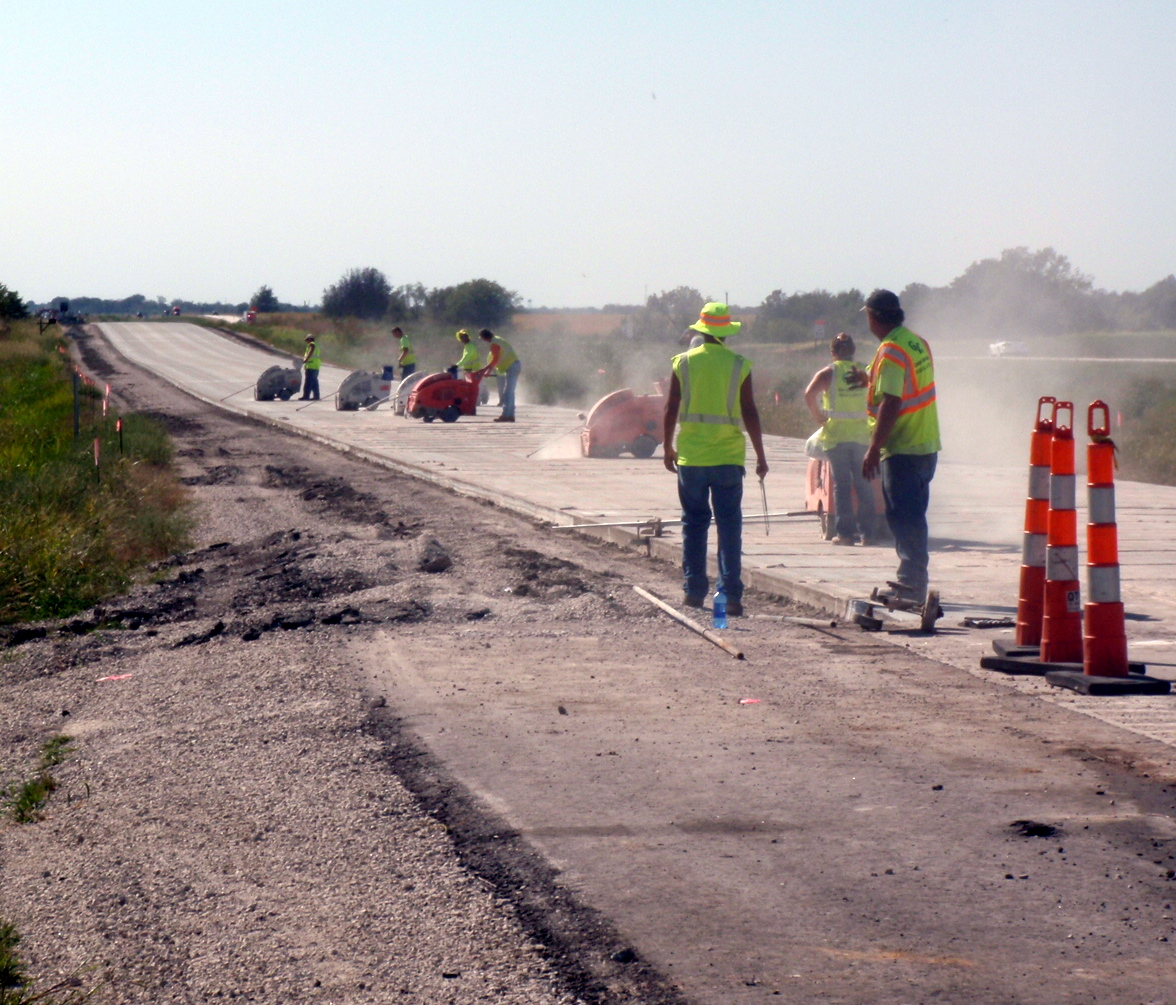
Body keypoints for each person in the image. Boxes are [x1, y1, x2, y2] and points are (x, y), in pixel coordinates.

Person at [663, 302, 769, 616]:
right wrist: (761, 456)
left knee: (694, 525)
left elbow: (670, 408)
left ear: (701, 331)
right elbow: (749, 411)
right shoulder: (739, 365)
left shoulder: (682, 362)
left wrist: (668, 447)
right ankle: (730, 597)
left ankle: (694, 592)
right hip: (728, 458)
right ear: (725, 334)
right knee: (729, 527)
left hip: (692, 459)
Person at [859, 289, 941, 603]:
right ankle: (913, 581)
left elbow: (892, 401)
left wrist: (874, 448)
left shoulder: (891, 351)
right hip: (926, 443)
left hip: (904, 446)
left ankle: (911, 586)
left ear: (873, 316)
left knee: (904, 517)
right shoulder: (915, 342)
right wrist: (865, 377)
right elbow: (896, 379)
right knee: (912, 514)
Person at [803, 332, 876, 546]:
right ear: (853, 351)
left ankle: (845, 534)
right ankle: (869, 534)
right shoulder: (866, 371)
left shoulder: (828, 373)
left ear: (833, 353)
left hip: (836, 437)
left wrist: (818, 416)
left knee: (842, 486)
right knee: (864, 485)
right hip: (862, 435)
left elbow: (809, 394)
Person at [477, 329, 521, 422]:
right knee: (509, 392)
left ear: (485, 338)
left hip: (512, 366)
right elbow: (495, 360)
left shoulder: (494, 344)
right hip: (514, 365)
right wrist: (488, 371)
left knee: (508, 392)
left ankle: (506, 415)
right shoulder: (497, 339)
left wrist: (485, 369)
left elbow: (495, 360)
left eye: (482, 339)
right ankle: (510, 415)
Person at [454, 328, 489, 404]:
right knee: (472, 387)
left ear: (467, 337)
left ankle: (476, 402)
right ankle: (475, 401)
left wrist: (457, 365)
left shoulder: (470, 346)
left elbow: (467, 357)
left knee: (475, 387)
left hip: (474, 369)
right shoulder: (468, 346)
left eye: (464, 336)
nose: (463, 339)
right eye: (461, 337)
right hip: (469, 370)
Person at [299, 334, 321, 401]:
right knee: (314, 382)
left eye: (307, 340)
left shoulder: (312, 344)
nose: (306, 341)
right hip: (316, 366)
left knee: (308, 382)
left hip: (311, 366)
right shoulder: (317, 345)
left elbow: (311, 351)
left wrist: (306, 359)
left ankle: (306, 396)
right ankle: (316, 396)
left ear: (310, 339)